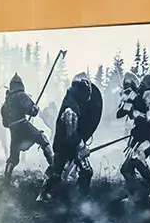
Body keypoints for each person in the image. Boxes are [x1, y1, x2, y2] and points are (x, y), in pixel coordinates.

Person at [37, 73, 102, 202]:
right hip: (67, 147)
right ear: (81, 90)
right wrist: (82, 147)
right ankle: (80, 200)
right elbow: (71, 133)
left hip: (63, 146)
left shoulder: (72, 102)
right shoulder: (70, 108)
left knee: (57, 173)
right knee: (84, 171)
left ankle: (45, 196)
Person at [117, 73, 150, 201]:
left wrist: (134, 112)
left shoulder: (149, 94)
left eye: (129, 86)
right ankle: (136, 196)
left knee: (137, 158)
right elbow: (119, 113)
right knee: (125, 169)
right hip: (140, 137)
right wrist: (126, 102)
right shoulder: (136, 97)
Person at [0, 73, 54, 185]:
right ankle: (55, 170)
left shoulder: (5, 103)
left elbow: (5, 124)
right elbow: (32, 112)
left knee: (13, 158)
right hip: (23, 125)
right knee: (42, 138)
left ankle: (6, 181)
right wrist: (36, 108)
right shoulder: (21, 95)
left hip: (13, 131)